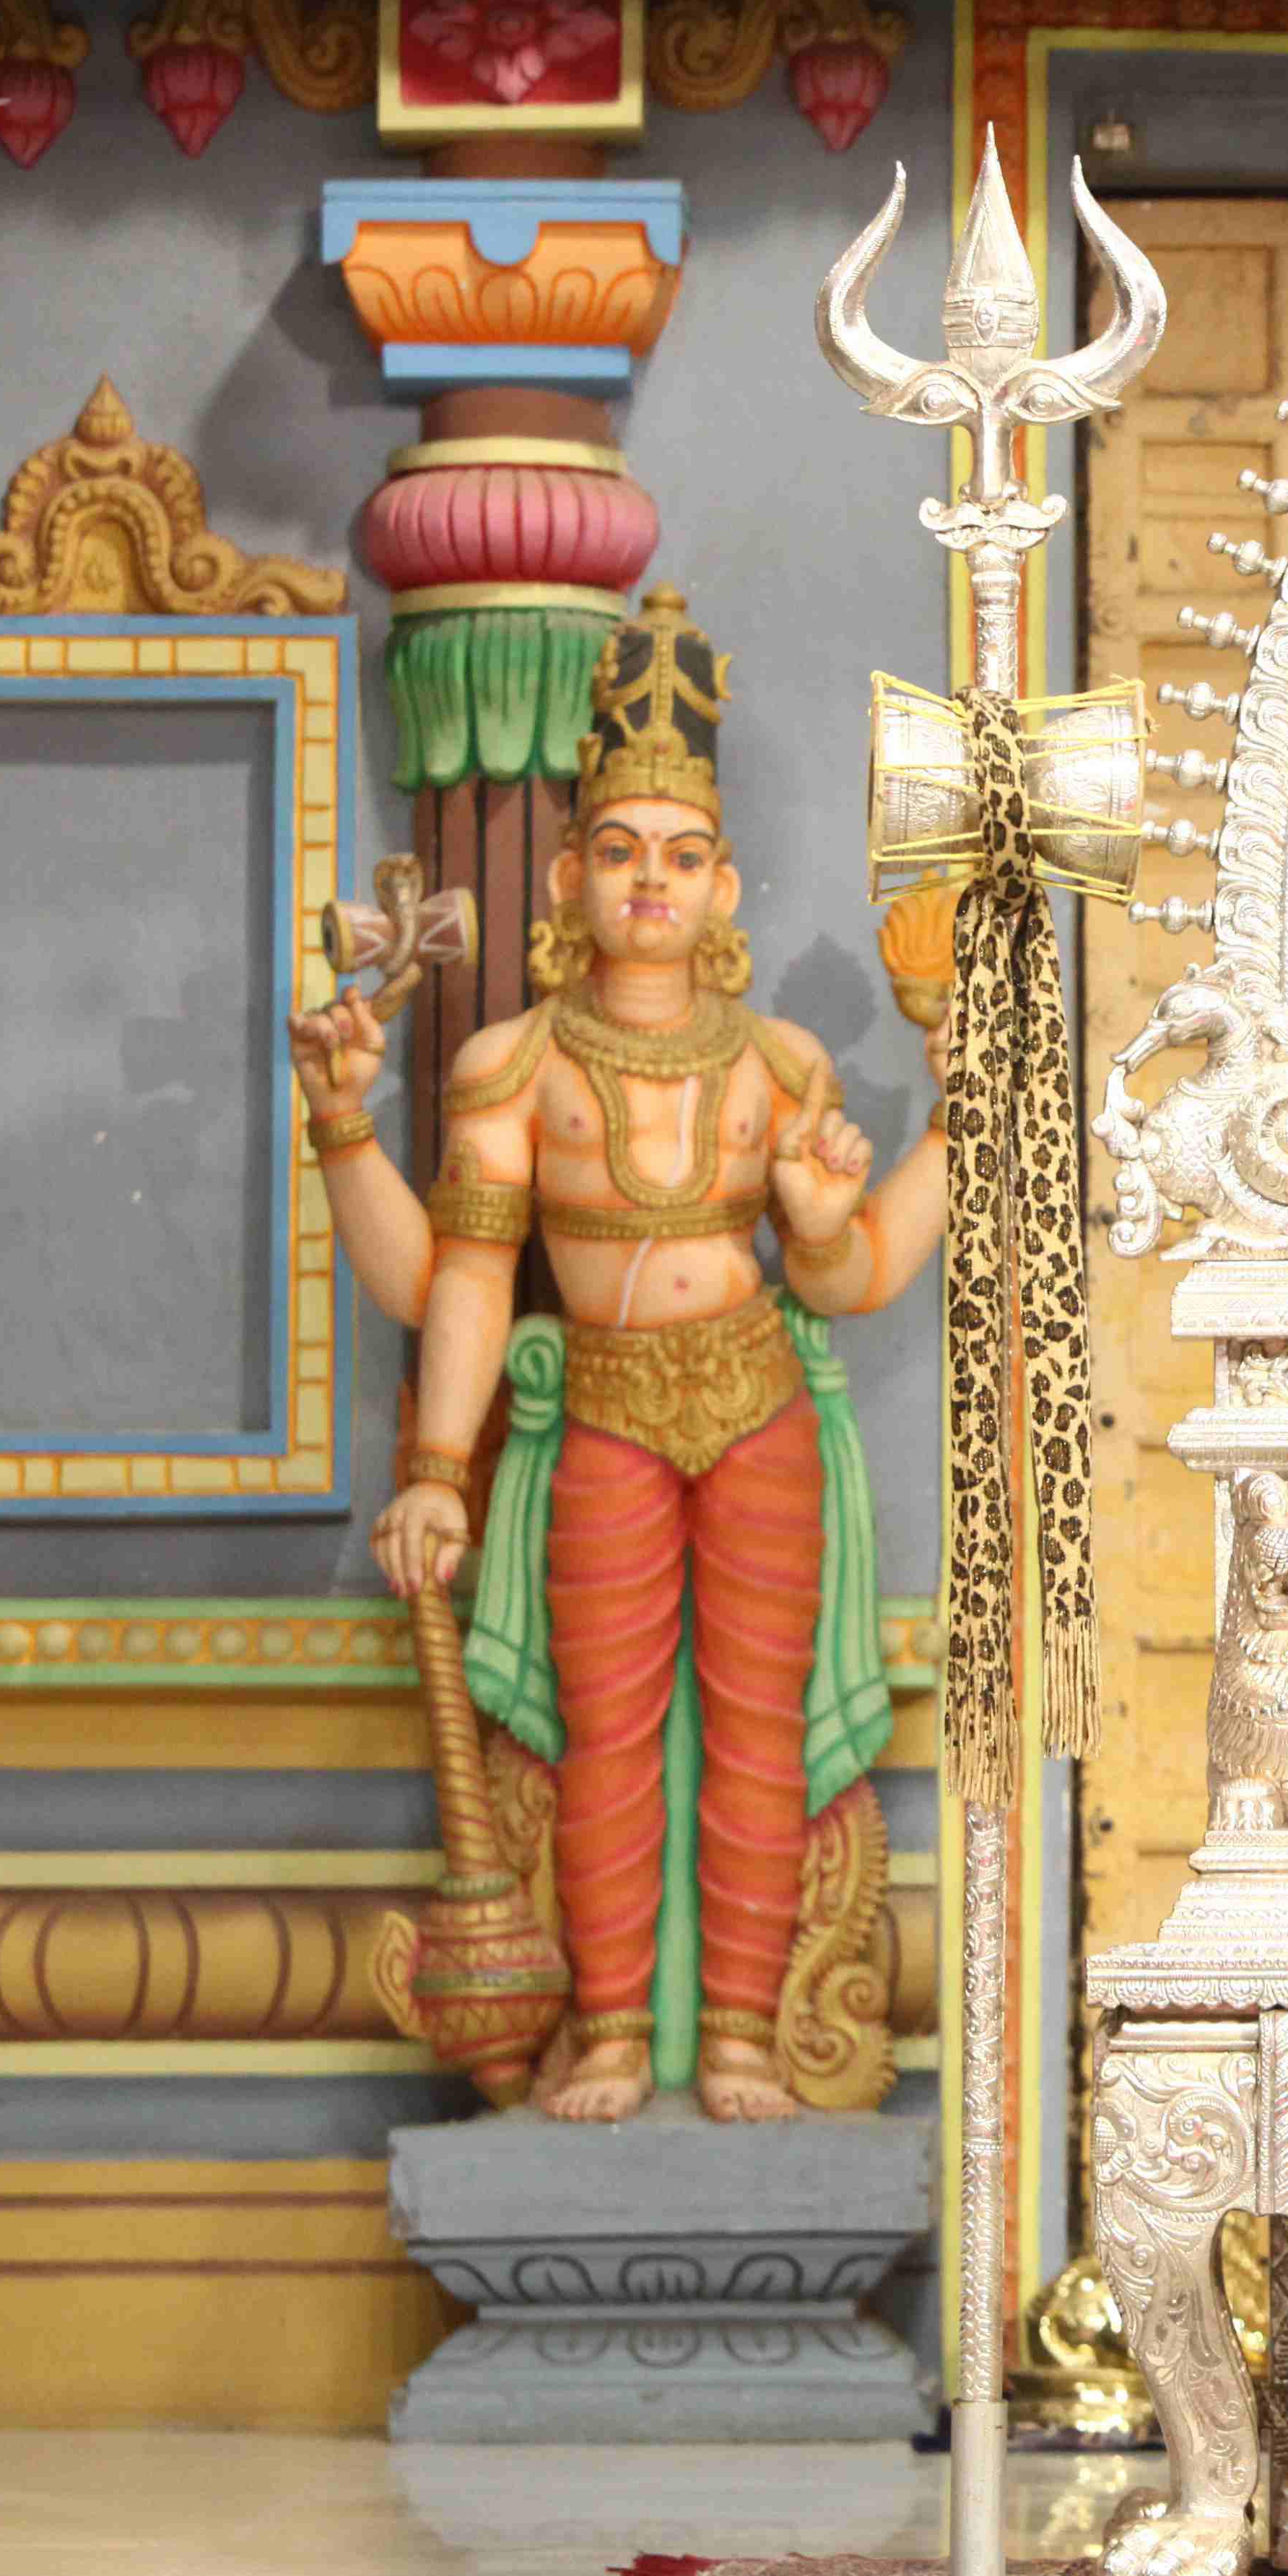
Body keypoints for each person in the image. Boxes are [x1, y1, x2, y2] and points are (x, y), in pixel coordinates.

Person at [288, 587, 950, 2122]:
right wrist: (343, 1133)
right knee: (608, 1735)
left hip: (758, 1404)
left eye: (682, 855)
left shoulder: (779, 1064)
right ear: (570, 877)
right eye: (621, 850)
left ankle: (739, 2036)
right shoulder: (513, 1065)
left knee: (760, 1733)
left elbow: (848, 1277)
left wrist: (880, 1175)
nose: (651, 879)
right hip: (601, 1414)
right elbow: (453, 1281)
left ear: (725, 889)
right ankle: (605, 2034)